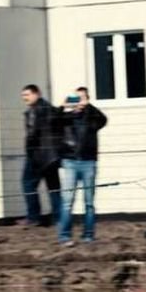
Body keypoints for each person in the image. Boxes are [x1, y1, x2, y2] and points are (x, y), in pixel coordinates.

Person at [57, 87, 108, 246]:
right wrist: (63, 106)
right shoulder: (67, 117)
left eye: (82, 98)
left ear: (87, 99)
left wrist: (89, 106)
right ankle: (64, 236)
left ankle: (88, 235)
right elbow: (52, 121)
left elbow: (103, 120)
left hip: (88, 163)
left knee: (89, 203)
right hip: (70, 162)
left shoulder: (92, 118)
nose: (78, 101)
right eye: (76, 98)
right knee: (67, 202)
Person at [20, 84, 62, 226]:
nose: (24, 98)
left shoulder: (35, 111)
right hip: (51, 156)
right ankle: (59, 218)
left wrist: (29, 151)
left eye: (27, 95)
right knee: (54, 188)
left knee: (28, 184)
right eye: (23, 95)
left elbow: (32, 134)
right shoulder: (50, 108)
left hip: (37, 155)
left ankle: (33, 217)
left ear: (36, 94)